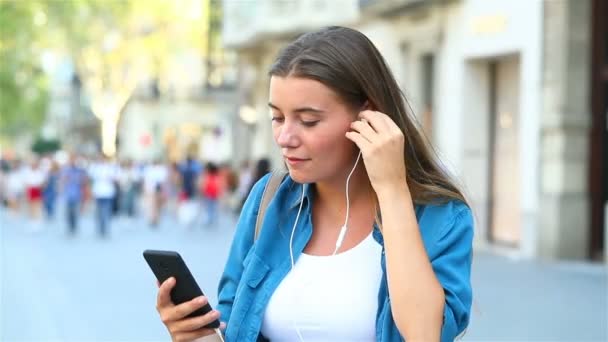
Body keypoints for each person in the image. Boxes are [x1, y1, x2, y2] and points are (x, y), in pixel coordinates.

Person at [154, 26, 473, 342]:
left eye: (308, 120)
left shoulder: (440, 216)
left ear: (369, 116)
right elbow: (230, 325)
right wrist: (192, 334)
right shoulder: (268, 199)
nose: (284, 138)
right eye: (277, 118)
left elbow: (425, 334)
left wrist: (392, 190)